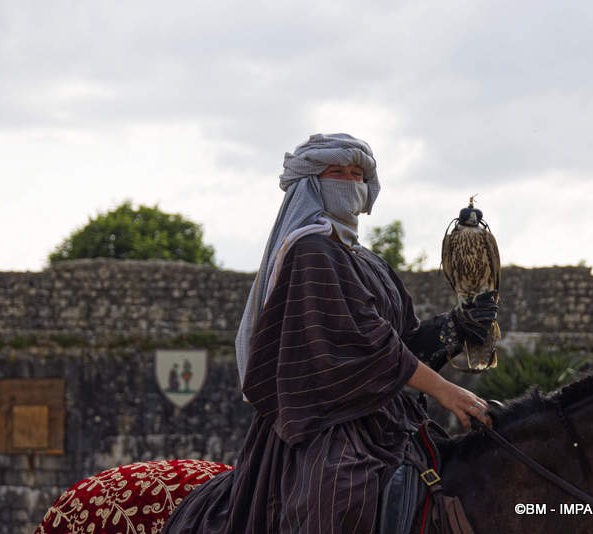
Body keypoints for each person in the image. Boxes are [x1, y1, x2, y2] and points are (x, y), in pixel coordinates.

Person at [162, 133, 494, 534]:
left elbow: (404, 345)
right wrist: (447, 392)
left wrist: (456, 327)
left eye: (358, 174)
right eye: (337, 172)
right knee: (340, 499)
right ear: (311, 184)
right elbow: (371, 344)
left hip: (391, 420)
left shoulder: (369, 262)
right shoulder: (310, 251)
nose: (350, 182)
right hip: (327, 424)